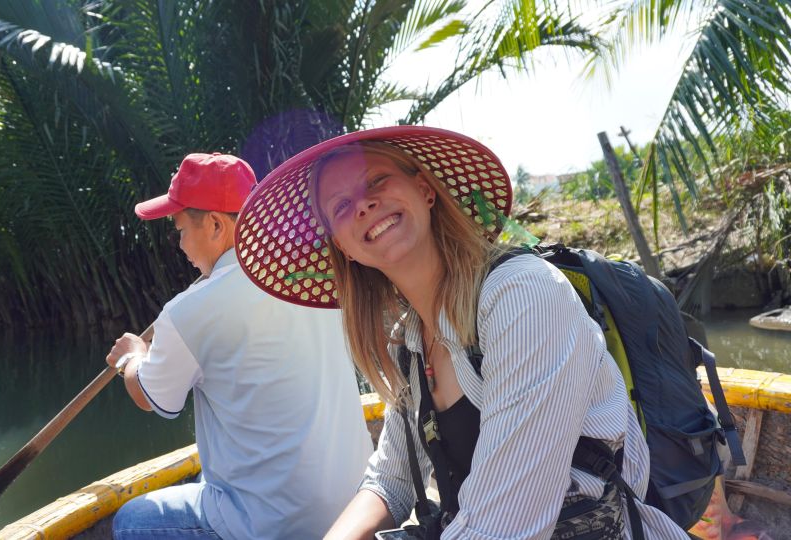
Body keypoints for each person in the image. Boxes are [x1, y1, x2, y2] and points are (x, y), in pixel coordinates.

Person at [232, 127, 690, 539]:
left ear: (425, 190)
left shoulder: (522, 297)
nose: (364, 205)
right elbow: (389, 481)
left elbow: (503, 527)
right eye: (341, 206)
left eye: (377, 182)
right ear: (344, 249)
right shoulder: (411, 342)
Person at [105, 152, 372, 540]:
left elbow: (148, 395)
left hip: (274, 525)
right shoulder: (314, 279)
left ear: (215, 225)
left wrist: (132, 356)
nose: (179, 245)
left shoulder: (188, 310)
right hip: (357, 506)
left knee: (129, 522)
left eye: (180, 230)